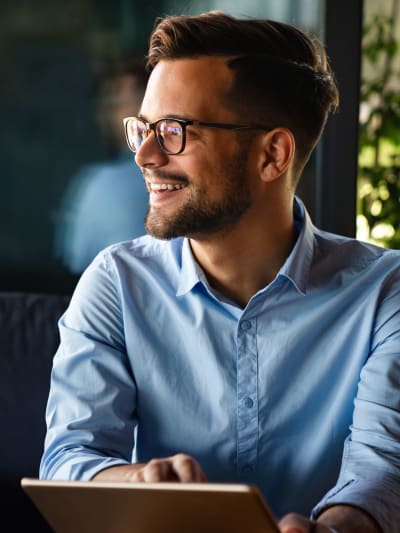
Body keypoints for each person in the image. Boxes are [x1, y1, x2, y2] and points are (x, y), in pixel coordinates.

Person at [40, 11, 400, 532]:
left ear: (273, 154)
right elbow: (72, 456)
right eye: (143, 128)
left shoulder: (385, 290)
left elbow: (383, 467)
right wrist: (134, 483)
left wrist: (335, 529)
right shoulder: (116, 283)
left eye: (173, 130)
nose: (144, 154)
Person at [54, 59, 149, 274]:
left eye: (117, 104)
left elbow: (73, 264)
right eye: (105, 106)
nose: (105, 116)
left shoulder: (99, 183)